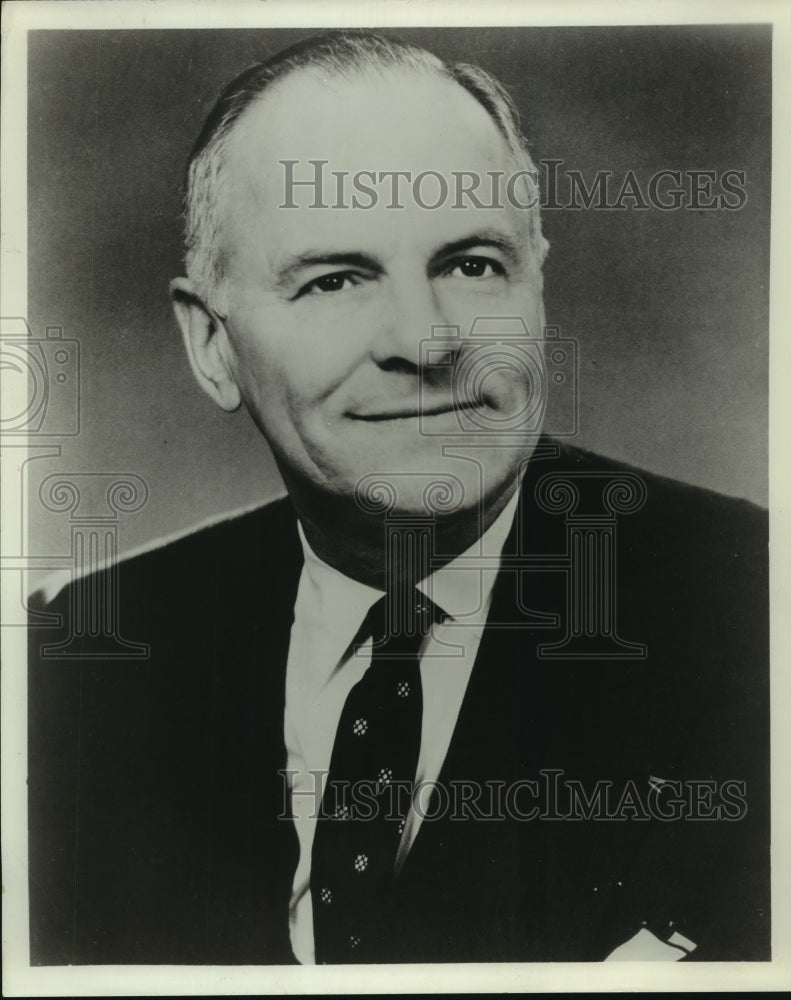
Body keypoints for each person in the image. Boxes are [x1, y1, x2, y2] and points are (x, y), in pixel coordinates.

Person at [28, 31, 769, 965]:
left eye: (470, 265)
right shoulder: (79, 663)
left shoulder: (750, 612)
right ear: (211, 346)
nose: (424, 341)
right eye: (335, 279)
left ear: (536, 284)